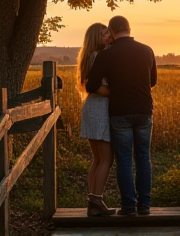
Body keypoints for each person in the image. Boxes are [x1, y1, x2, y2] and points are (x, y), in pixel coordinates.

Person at [86, 15, 157, 216]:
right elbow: (152, 81)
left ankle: (128, 207)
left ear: (112, 30)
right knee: (143, 157)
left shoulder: (107, 54)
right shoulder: (147, 50)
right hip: (144, 110)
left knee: (124, 159)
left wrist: (116, 89)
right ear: (129, 28)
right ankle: (144, 206)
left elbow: (91, 85)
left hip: (120, 113)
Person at [76, 23, 116, 216]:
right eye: (104, 33)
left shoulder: (89, 55)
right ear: (95, 38)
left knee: (98, 159)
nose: (109, 35)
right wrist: (116, 92)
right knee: (106, 159)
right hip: (99, 110)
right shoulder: (98, 56)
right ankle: (96, 202)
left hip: (92, 109)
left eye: (109, 32)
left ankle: (92, 200)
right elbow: (96, 87)